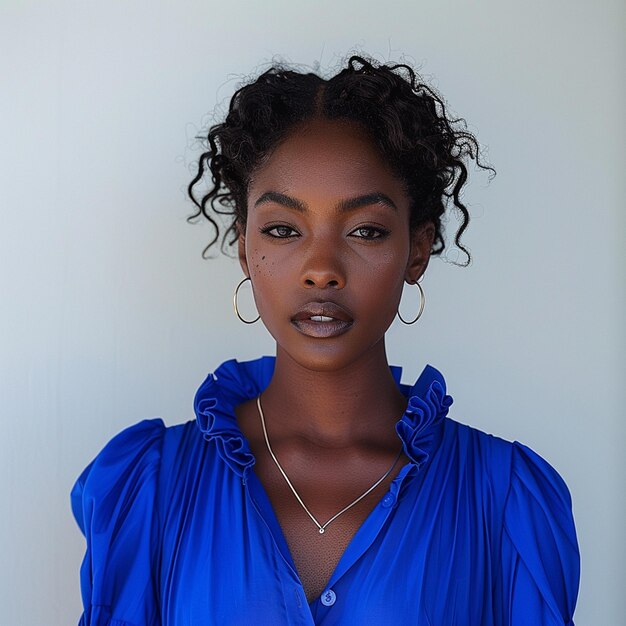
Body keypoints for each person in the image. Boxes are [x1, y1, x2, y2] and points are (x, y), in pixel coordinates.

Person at [71, 55, 580, 625]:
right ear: (244, 248)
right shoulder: (150, 487)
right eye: (283, 230)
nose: (321, 269)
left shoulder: (505, 500)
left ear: (416, 249)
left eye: (366, 230)